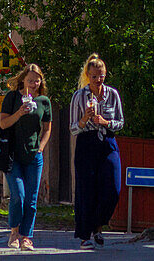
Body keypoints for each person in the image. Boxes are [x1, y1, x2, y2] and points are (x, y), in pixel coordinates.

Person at [70, 54, 124, 250]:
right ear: (87, 76)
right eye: (94, 77)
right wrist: (85, 119)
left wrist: (106, 122)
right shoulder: (79, 96)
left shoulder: (112, 94)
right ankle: (86, 236)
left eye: (101, 76)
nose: (98, 80)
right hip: (86, 142)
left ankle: (98, 225)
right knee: (86, 190)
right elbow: (73, 128)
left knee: (113, 187)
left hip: (107, 141)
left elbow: (120, 122)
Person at [0, 64, 52, 251]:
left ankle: (26, 237)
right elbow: (3, 124)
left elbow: (47, 129)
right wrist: (20, 112)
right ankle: (14, 231)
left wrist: (41, 148)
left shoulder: (44, 101)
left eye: (37, 80)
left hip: (34, 156)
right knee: (18, 196)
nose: (34, 84)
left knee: (31, 199)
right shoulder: (12, 98)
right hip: (13, 155)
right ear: (23, 80)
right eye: (30, 80)